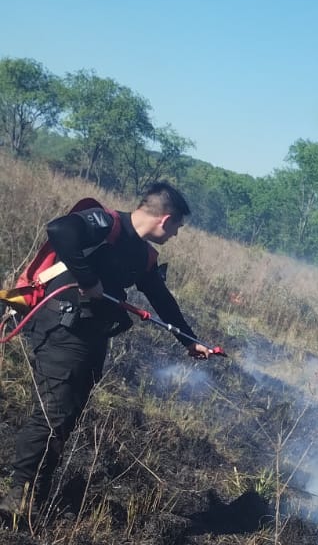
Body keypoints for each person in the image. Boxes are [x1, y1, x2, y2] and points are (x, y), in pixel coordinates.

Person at [2, 184, 216, 516]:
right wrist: (87, 280)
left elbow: (162, 299)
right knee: (52, 415)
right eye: (177, 228)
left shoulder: (143, 255)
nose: (175, 236)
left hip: (92, 337)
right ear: (167, 219)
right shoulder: (106, 223)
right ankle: (19, 497)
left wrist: (189, 340)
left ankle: (36, 495)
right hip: (61, 328)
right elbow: (59, 229)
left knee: (66, 417)